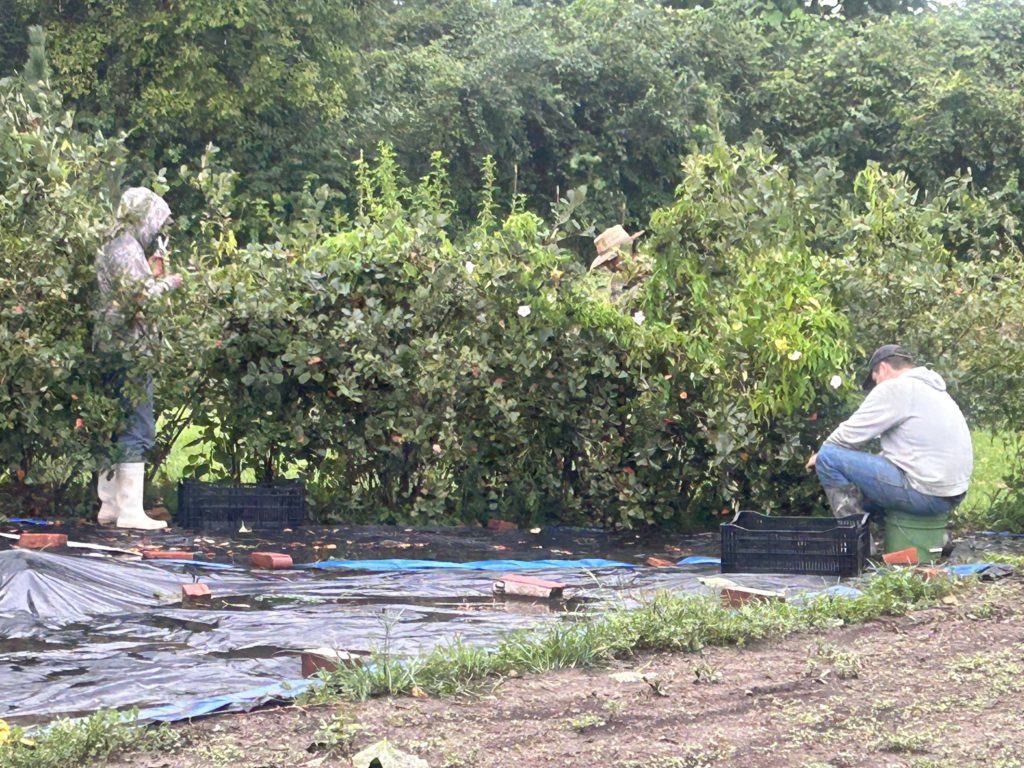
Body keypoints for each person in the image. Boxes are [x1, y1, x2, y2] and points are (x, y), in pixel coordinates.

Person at [806, 344, 973, 529]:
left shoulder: (896, 388)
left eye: (875, 380)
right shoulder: (933, 390)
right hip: (950, 494)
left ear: (883, 368)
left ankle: (853, 543)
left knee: (829, 457)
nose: (876, 386)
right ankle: (905, 540)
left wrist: (820, 455)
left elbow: (849, 435)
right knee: (864, 498)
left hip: (926, 495)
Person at [94, 187, 183, 530]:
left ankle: (111, 506)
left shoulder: (112, 244)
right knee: (135, 425)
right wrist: (171, 283)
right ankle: (130, 512)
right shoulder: (126, 246)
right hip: (130, 349)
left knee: (113, 424)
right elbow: (139, 301)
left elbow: (129, 292)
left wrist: (150, 274)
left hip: (109, 346)